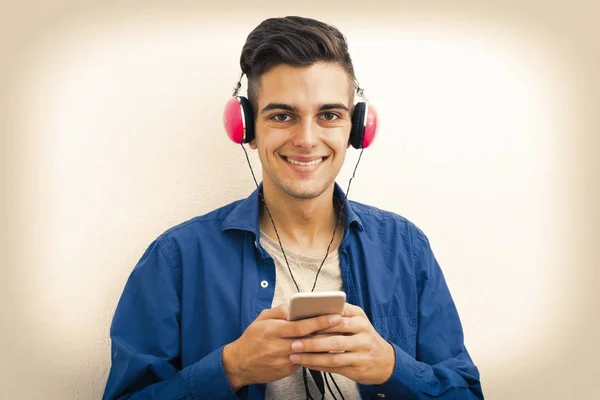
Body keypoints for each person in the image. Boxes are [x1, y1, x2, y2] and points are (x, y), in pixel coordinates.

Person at [102, 16, 484, 400]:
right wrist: (231, 369)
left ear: (356, 129)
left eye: (329, 115)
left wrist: (392, 367)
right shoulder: (176, 259)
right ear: (247, 129)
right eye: (282, 116)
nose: (306, 139)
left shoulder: (406, 248)